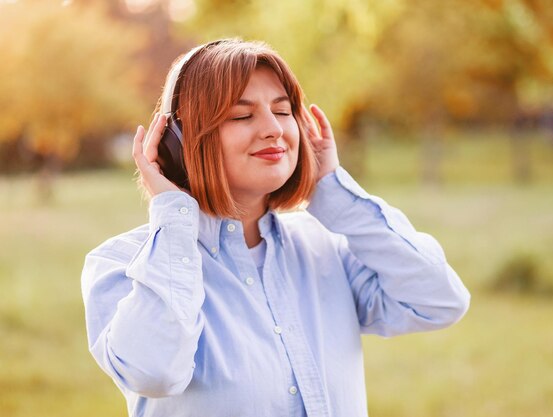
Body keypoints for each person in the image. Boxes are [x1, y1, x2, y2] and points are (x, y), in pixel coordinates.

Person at [81, 38, 470, 417]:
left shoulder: (325, 249)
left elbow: (439, 299)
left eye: (283, 112)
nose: (273, 129)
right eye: (241, 115)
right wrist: (173, 213)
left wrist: (332, 192)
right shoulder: (121, 267)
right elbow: (155, 371)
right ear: (178, 144)